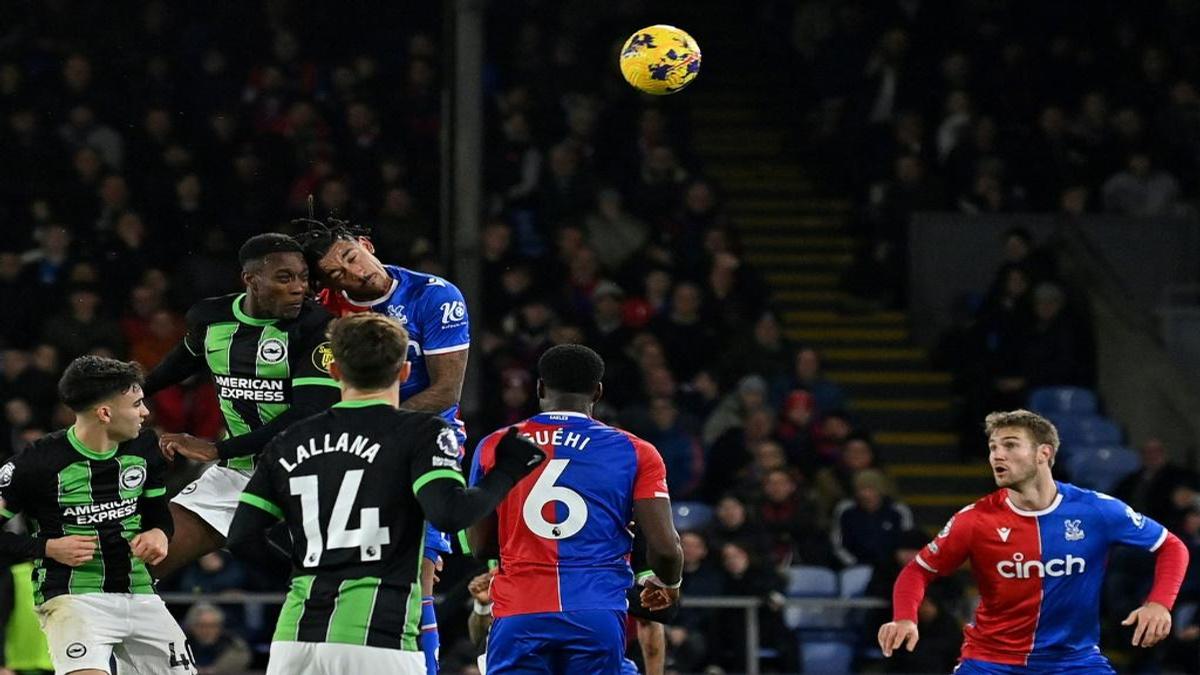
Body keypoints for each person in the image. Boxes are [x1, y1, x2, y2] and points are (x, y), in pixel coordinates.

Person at [225, 314, 543, 674]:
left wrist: (306, 575)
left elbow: (241, 537)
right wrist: (508, 470)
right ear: (405, 372)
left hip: (294, 641)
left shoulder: (288, 440)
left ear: (335, 372)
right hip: (379, 637)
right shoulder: (421, 432)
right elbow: (450, 513)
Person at [878, 409, 1191, 673]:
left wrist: (1159, 603)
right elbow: (916, 570)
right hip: (991, 661)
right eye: (993, 447)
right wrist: (905, 618)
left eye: (1010, 445)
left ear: (1044, 453)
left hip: (1074, 661)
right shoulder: (974, 520)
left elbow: (1172, 546)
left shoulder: (1095, 509)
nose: (997, 455)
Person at [296, 218, 471, 673]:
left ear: (367, 245)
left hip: (423, 439)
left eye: (352, 258)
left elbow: (447, 392)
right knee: (343, 575)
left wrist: (373, 426)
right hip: (350, 445)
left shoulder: (434, 296)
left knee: (418, 576)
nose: (354, 274)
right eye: (337, 273)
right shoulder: (322, 312)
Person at [468, 344, 684, 673]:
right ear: (597, 392)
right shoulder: (635, 451)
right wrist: (669, 583)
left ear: (539, 388)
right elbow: (666, 549)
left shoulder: (494, 445)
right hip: (595, 614)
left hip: (519, 612)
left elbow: (479, 544)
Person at [142, 233, 340, 578]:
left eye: (303, 277)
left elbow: (308, 416)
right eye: (284, 277)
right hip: (240, 471)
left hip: (311, 471)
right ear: (251, 279)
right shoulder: (212, 318)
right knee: (143, 566)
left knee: (323, 586)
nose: (299, 288)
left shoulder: (316, 327)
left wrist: (217, 449)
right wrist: (121, 395)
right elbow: (174, 368)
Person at [0, 356, 195, 674]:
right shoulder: (35, 464)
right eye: (136, 404)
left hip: (140, 593)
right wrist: (46, 548)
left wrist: (160, 533)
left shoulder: (145, 448)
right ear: (105, 413)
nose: (145, 412)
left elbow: (157, 514)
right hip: (72, 598)